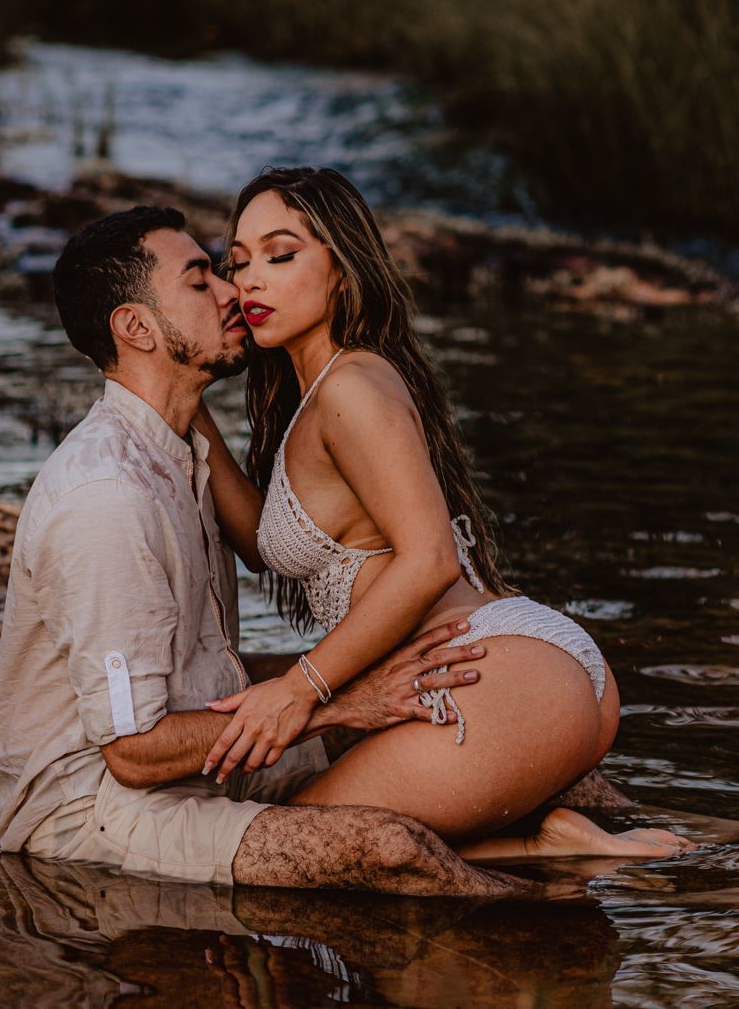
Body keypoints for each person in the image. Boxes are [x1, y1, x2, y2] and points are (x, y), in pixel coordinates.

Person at [0, 205, 588, 896]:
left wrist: (355, 691)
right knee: (389, 847)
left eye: (226, 270)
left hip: (202, 758)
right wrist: (331, 704)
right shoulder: (108, 496)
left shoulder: (182, 453)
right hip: (93, 807)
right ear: (137, 328)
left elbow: (207, 667)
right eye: (201, 279)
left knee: (464, 727)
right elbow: (133, 751)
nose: (230, 292)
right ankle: (550, 919)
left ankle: (553, 846)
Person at [190, 167, 691, 860]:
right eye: (238, 263)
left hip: (494, 676)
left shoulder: (352, 388)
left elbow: (430, 559)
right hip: (518, 675)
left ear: (343, 270)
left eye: (281, 255)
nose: (249, 282)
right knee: (325, 849)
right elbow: (257, 539)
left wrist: (299, 690)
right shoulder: (321, 393)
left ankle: (543, 847)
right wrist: (184, 400)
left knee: (286, 847)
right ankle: (539, 843)